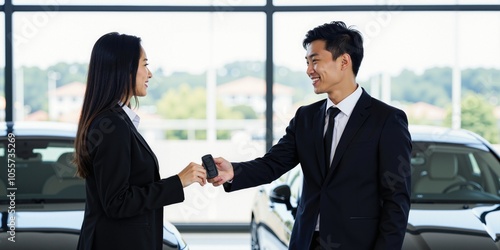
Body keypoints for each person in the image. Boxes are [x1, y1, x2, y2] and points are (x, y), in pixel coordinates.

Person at [209, 21, 411, 250]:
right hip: (306, 241)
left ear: (344, 61)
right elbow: (273, 163)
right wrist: (233, 171)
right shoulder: (306, 117)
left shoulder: (386, 120)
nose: (309, 70)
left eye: (315, 61)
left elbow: (396, 199)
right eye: (307, 62)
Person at [74, 32, 207, 250]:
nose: (150, 73)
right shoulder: (112, 125)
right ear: (123, 69)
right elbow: (117, 202)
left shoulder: (114, 120)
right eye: (144, 64)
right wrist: (178, 181)